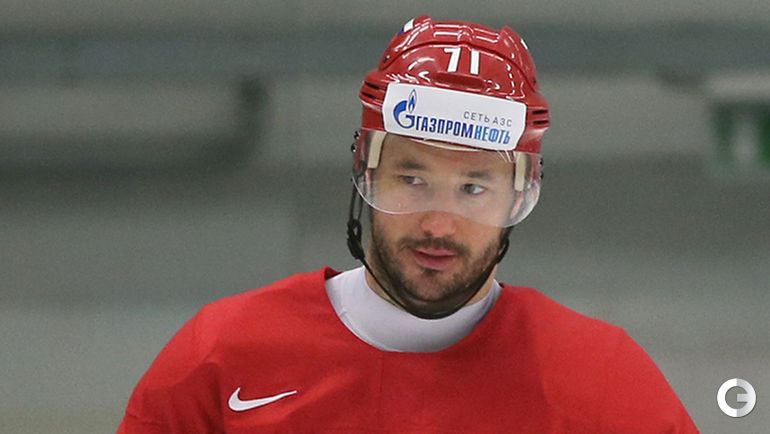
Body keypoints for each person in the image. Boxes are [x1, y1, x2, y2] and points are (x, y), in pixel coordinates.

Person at [119, 15, 698, 433]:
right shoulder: (220, 359)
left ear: (517, 197)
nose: (439, 223)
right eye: (413, 180)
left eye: (474, 188)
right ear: (366, 173)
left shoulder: (603, 383)